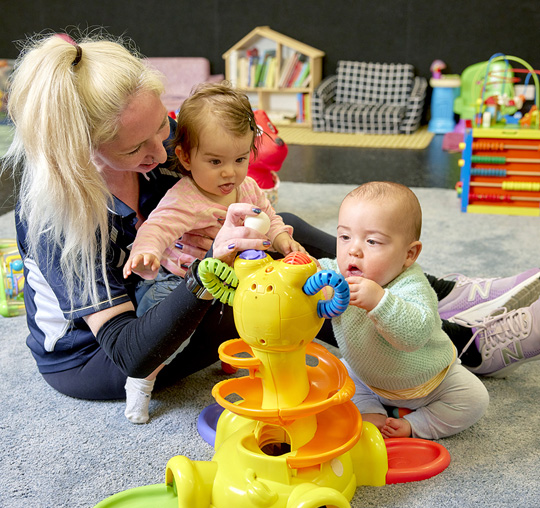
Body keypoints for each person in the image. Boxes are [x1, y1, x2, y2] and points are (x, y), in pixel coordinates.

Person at [4, 31, 538, 425]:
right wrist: (216, 266)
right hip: (101, 357)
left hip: (169, 287)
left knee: (286, 233)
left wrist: (259, 219)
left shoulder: (159, 150)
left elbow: (234, 188)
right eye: (135, 148)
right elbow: (130, 352)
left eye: (162, 127)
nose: (162, 150)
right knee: (267, 293)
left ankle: (438, 292)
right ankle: (456, 345)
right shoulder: (58, 213)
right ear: (80, 151)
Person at [121, 82, 305, 422]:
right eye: (215, 161)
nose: (229, 172)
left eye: (239, 159)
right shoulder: (186, 197)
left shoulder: (247, 187)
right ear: (187, 158)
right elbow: (157, 226)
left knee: (254, 310)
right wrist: (147, 251)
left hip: (230, 278)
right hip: (177, 284)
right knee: (172, 340)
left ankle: (233, 358)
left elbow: (271, 217)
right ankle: (141, 380)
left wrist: (283, 242)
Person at [317, 181, 540, 440]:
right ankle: (371, 412)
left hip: (430, 381)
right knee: (335, 375)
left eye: (372, 241)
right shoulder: (335, 274)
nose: (353, 250)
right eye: (344, 237)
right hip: (367, 375)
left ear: (409, 254)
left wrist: (379, 301)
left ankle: (417, 423)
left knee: (474, 399)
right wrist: (297, 271)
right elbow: (312, 276)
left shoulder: (412, 285)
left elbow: (413, 335)